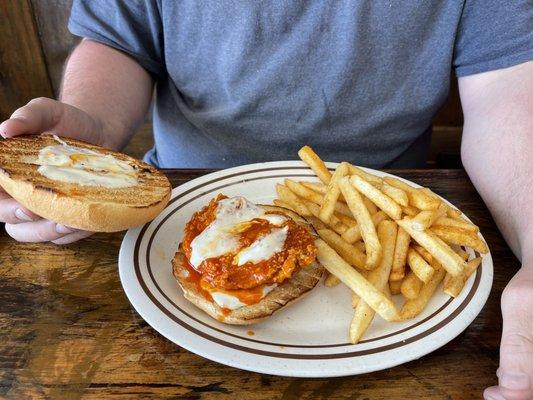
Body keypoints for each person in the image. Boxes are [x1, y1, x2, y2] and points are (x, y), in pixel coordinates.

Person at [0, 1, 531, 398]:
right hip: (178, 207)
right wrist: (88, 149)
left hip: (382, 200)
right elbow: (121, 40)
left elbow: (510, 94)